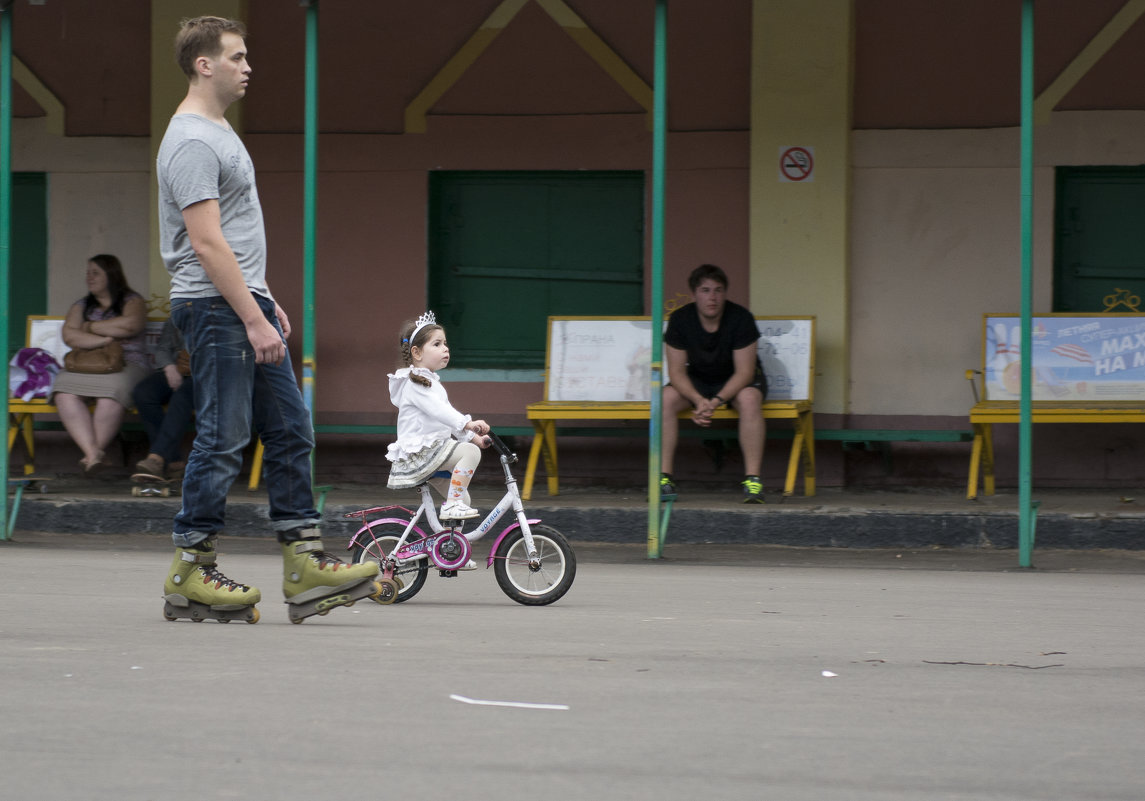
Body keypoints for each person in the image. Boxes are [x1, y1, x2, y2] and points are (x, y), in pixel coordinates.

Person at [155, 16, 378, 624]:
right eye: (237, 56)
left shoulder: (220, 131)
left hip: (241, 301)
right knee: (223, 439)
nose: (248, 66)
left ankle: (303, 564)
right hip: (214, 306)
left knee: (289, 430)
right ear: (205, 64)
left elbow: (235, 235)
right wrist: (250, 317)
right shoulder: (194, 142)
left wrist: (263, 297)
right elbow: (205, 242)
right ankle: (191, 572)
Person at [660, 264, 767, 503]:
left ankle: (753, 481)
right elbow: (676, 373)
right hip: (699, 379)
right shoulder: (680, 320)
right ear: (694, 294)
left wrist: (716, 402)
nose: (712, 297)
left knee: (750, 399)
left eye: (718, 290)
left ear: (725, 293)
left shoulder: (741, 318)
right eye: (705, 290)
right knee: (665, 398)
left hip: (736, 380)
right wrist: (699, 400)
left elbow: (745, 373)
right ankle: (664, 478)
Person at [386, 311, 492, 521]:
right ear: (416, 353)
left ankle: (451, 552)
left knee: (465, 500)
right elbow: (441, 411)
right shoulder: (416, 383)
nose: (445, 348)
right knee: (470, 454)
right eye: (437, 344)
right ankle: (452, 504)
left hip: (432, 452)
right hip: (422, 454)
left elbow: (446, 419)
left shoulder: (430, 383)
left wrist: (473, 437)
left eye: (445, 343)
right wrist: (469, 424)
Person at [53, 254, 149, 475]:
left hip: (127, 363)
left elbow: (130, 326)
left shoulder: (132, 301)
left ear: (111, 274)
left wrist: (88, 327)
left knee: (111, 394)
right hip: (86, 364)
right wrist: (105, 340)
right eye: (88, 272)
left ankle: (91, 454)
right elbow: (69, 336)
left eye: (95, 272)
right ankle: (93, 453)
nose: (89, 277)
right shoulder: (81, 305)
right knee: (63, 392)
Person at [131, 318, 193, 480]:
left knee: (182, 396)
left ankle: (156, 457)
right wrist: (169, 367)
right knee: (143, 393)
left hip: (209, 376)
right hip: (179, 369)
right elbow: (163, 348)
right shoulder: (181, 311)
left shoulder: (225, 312)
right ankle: (174, 462)